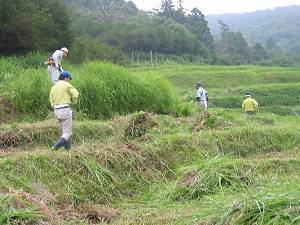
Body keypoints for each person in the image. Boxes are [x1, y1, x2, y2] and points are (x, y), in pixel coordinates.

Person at [50, 71, 79, 150]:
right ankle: (55, 147)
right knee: (67, 133)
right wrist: (73, 101)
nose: (69, 80)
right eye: (69, 79)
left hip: (56, 111)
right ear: (66, 78)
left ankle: (68, 150)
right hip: (65, 109)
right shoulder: (67, 84)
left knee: (65, 131)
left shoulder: (54, 87)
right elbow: (76, 94)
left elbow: (51, 101)